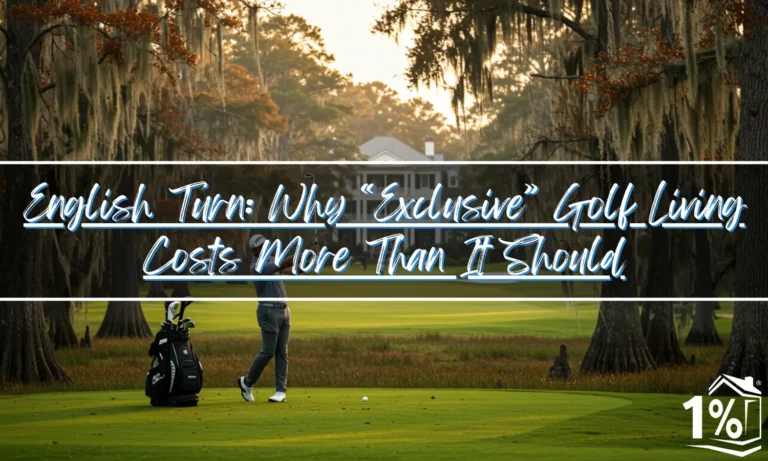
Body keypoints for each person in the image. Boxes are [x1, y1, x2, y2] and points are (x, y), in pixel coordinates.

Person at [237, 234, 319, 403]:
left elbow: (293, 270)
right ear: (254, 250)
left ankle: (280, 391)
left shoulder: (271, 261)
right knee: (268, 351)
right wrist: (306, 252)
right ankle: (247, 382)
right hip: (268, 312)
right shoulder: (257, 266)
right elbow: (284, 263)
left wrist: (311, 259)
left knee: (282, 352)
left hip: (284, 310)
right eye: (261, 246)